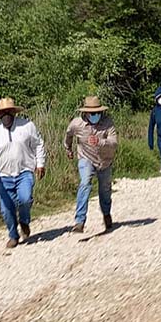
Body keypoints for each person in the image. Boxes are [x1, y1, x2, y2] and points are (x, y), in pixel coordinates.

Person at [0, 97, 46, 249]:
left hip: (24, 172)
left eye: (9, 112)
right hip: (4, 176)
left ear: (14, 113)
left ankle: (24, 221)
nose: (6, 115)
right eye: (3, 113)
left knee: (25, 199)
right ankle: (13, 235)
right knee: (6, 209)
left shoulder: (27, 126)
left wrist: (40, 164)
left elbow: (38, 143)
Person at [64, 96, 118, 234]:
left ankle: (106, 214)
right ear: (86, 113)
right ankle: (79, 221)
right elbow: (68, 134)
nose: (95, 116)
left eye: (98, 113)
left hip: (105, 161)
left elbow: (114, 142)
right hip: (85, 158)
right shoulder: (77, 124)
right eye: (92, 113)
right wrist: (68, 149)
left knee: (105, 190)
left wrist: (100, 141)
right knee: (85, 182)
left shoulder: (108, 123)